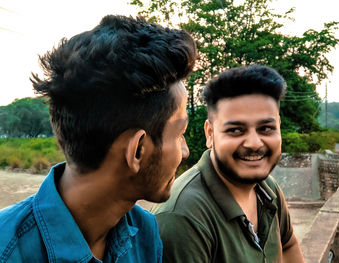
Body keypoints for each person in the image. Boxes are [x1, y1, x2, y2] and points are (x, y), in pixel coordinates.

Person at [0, 15, 197, 262]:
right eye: (179, 134)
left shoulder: (145, 232)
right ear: (137, 150)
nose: (185, 151)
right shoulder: (6, 251)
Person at [152, 64, 305, 262]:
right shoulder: (183, 218)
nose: (254, 143)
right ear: (210, 134)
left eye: (266, 128)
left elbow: (288, 243)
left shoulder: (267, 189)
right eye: (235, 130)